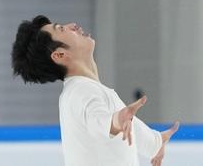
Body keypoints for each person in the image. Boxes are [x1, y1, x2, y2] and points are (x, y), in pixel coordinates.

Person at [11, 15, 179, 166]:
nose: (72, 25)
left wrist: (157, 142)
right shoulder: (82, 92)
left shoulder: (83, 90)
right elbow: (100, 121)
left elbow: (129, 126)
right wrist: (115, 122)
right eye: (61, 29)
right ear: (60, 55)